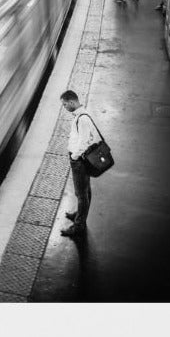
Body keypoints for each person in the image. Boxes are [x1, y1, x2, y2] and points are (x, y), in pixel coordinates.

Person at [59, 89, 102, 237]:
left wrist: (75, 157)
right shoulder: (81, 115)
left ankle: (79, 226)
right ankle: (80, 214)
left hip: (79, 161)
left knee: (81, 194)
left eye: (65, 104)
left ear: (71, 102)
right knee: (85, 190)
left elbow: (84, 142)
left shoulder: (82, 118)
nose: (64, 107)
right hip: (81, 160)